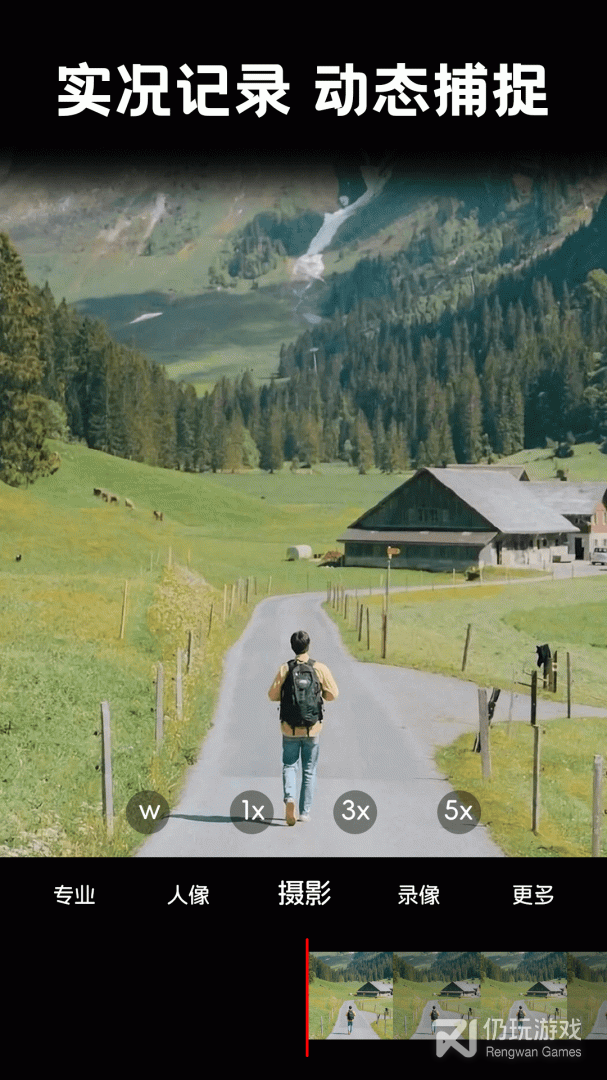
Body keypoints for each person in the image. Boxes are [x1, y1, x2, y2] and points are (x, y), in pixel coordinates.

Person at [268, 630, 338, 825]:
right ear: (308, 646)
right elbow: (333, 694)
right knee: (309, 769)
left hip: (289, 728)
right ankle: (305, 812)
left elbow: (272, 695)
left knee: (290, 765)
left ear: (293, 647)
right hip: (312, 728)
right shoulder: (319, 668)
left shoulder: (285, 668)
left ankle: (289, 798)